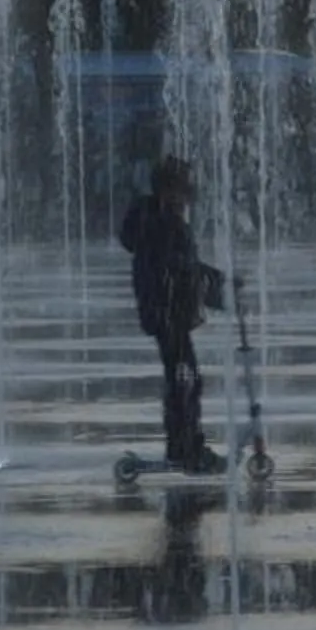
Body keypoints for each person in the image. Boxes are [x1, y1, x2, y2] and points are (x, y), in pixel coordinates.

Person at [118, 156, 224, 473]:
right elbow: (171, 266)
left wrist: (214, 279)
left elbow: (182, 265)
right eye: (183, 187)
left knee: (185, 378)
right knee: (184, 379)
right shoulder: (157, 221)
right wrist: (207, 281)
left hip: (170, 312)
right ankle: (184, 447)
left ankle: (186, 443)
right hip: (167, 313)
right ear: (169, 189)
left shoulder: (162, 219)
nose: (189, 195)